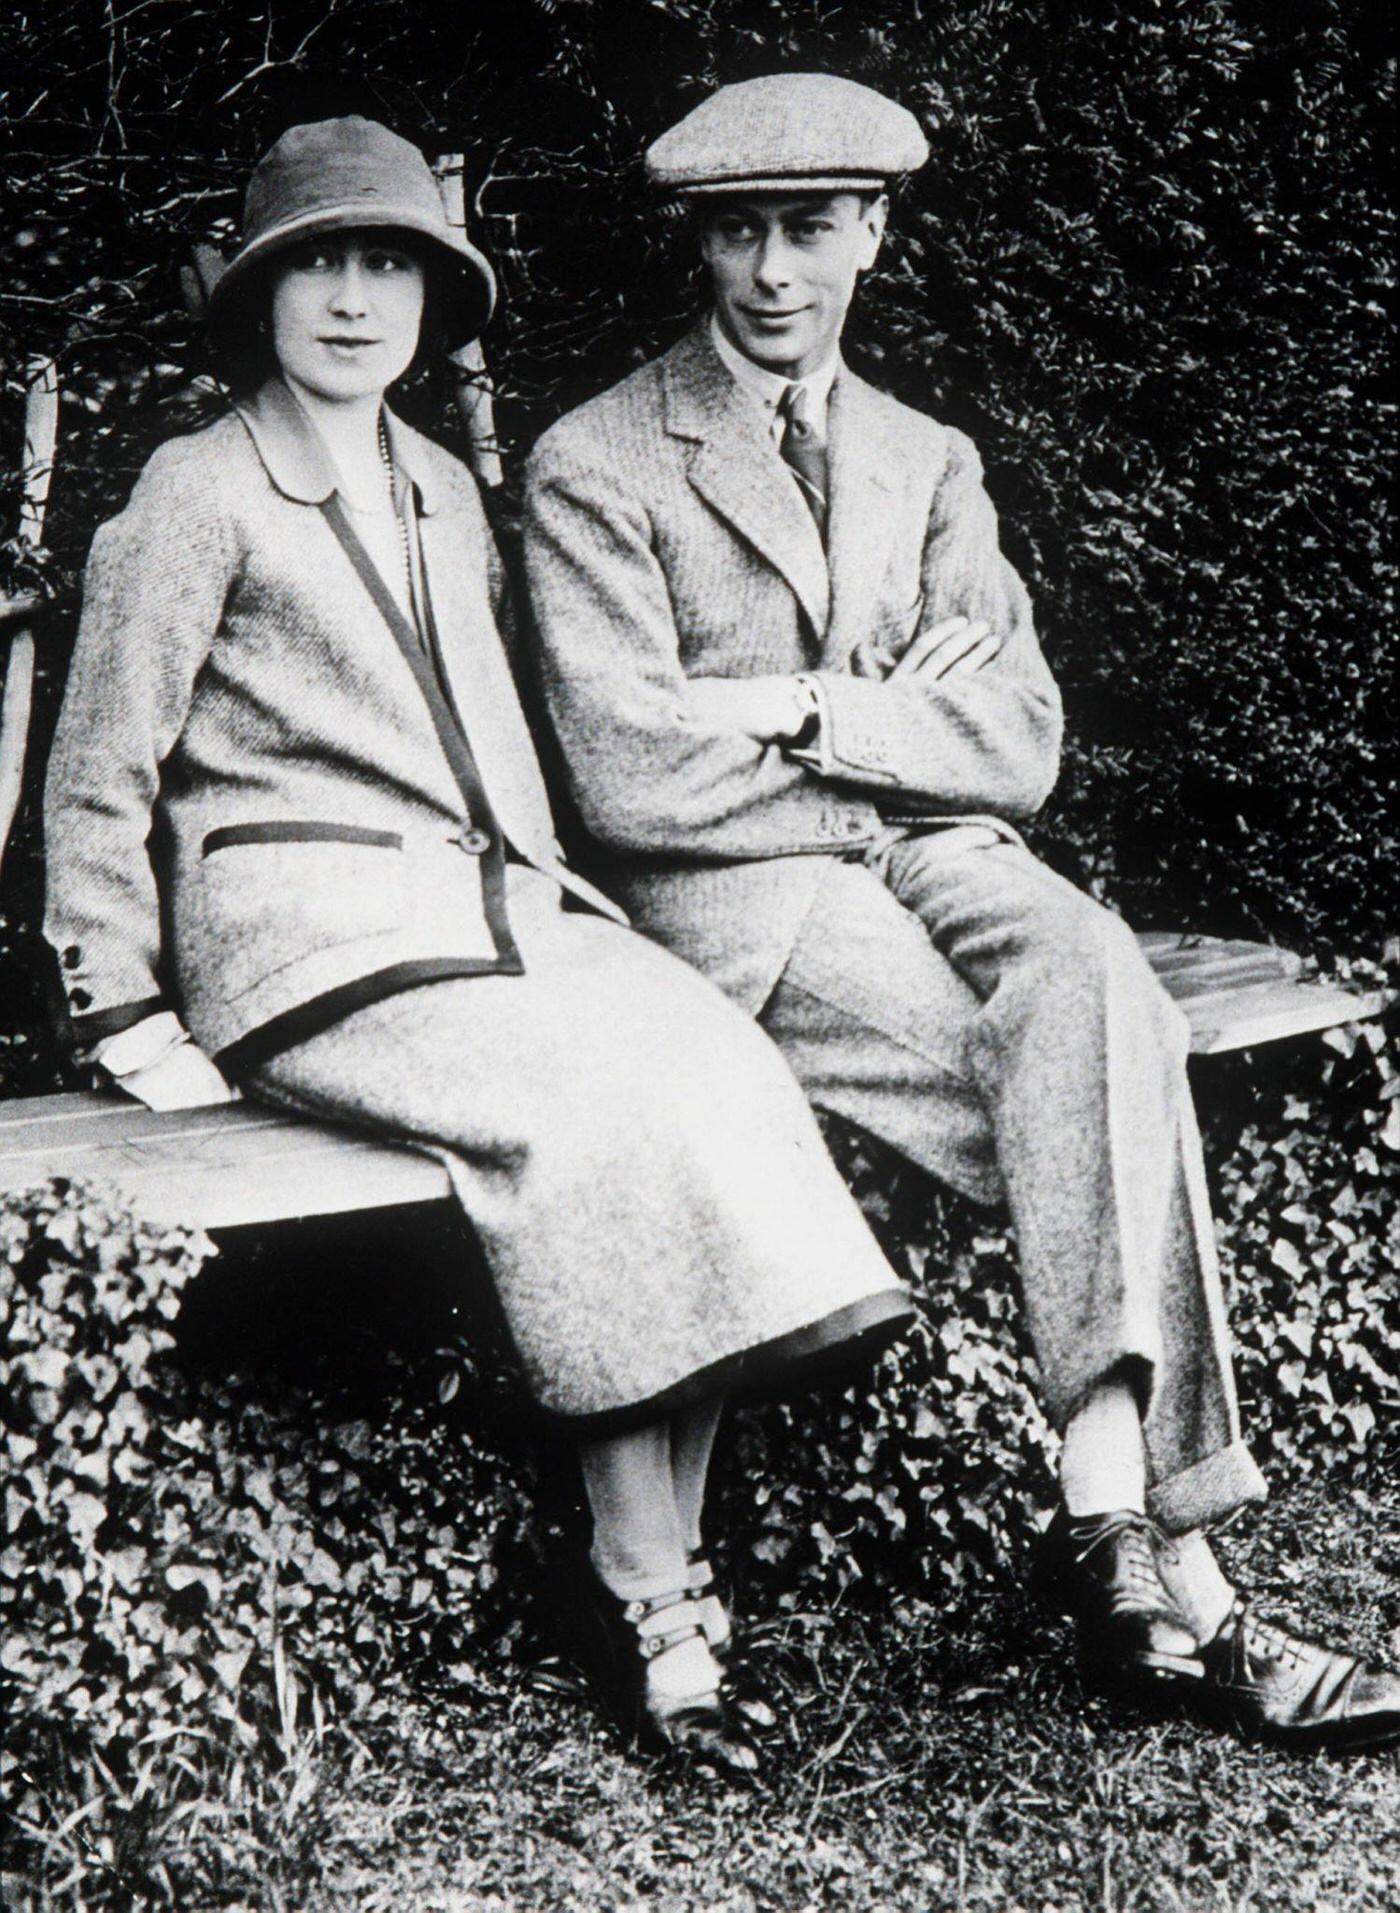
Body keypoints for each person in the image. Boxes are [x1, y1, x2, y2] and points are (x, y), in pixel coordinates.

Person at [520, 73, 1399, 1752]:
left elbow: (1021, 739)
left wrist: (796, 711)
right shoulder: (595, 461)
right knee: (1090, 1090)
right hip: (753, 899)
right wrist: (887, 732)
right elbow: (631, 776)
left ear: (874, 232)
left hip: (941, 856)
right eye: (739, 231)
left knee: (1099, 989)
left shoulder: (931, 461)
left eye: (810, 229)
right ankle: (1184, 1572)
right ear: (701, 241)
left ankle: (1107, 1516)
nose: (775, 271)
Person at [42, 114, 918, 1777]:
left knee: (714, 1057)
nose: (355, 301)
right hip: (300, 946)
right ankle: (654, 1597)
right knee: (585, 1116)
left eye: (387, 264)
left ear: (435, 299)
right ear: (255, 294)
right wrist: (120, 1004)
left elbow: (501, 752)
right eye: (318, 264)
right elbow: (102, 764)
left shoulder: (442, 485)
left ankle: (664, 1551)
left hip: (482, 912)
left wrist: (568, 908)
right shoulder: (195, 488)